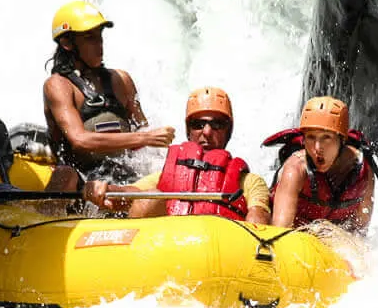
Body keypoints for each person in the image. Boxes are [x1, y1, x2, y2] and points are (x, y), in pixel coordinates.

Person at [83, 86, 272, 224]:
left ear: (228, 131)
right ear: (188, 131)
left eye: (217, 124)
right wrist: (106, 189)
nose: (206, 132)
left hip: (222, 257)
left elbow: (259, 221)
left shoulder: (250, 182)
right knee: (150, 197)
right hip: (166, 255)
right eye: (198, 124)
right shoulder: (164, 177)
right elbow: (129, 194)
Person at [43, 0, 175, 191]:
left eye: (100, 37)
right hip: (81, 179)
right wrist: (144, 138)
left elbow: (146, 142)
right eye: (90, 38)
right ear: (67, 43)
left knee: (155, 184)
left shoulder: (121, 80)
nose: (99, 45)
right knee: (65, 175)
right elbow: (79, 140)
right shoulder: (58, 85)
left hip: (123, 176)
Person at [264, 96, 378, 234]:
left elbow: (361, 232)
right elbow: (279, 232)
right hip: (297, 237)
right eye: (310, 137)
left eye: (326, 137)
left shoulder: (364, 171)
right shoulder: (296, 169)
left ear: (342, 139)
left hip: (333, 243)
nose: (317, 147)